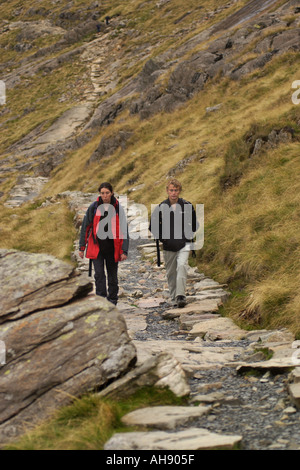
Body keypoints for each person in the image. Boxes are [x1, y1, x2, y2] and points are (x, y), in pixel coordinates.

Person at [149, 178, 198, 308]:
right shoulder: (161, 207)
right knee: (171, 273)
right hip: (168, 245)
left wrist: (188, 235)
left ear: (179, 191)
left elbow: (195, 224)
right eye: (171, 190)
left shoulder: (187, 206)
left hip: (184, 243)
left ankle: (181, 296)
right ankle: (174, 297)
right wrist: (163, 238)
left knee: (182, 265)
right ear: (167, 191)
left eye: (176, 190)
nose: (173, 193)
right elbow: (152, 226)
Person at [79, 182, 128, 305]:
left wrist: (124, 250)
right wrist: (82, 247)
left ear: (111, 193)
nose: (105, 195)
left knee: (112, 277)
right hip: (97, 247)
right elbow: (86, 227)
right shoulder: (94, 207)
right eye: (102, 193)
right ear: (99, 194)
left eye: (107, 193)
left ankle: (112, 301)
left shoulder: (117, 207)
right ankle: (101, 301)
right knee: (99, 275)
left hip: (113, 248)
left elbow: (124, 229)